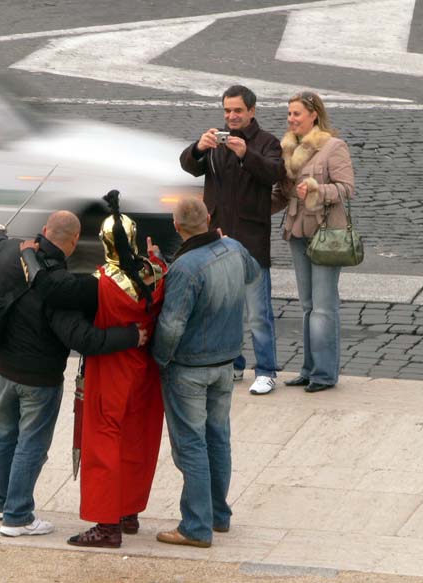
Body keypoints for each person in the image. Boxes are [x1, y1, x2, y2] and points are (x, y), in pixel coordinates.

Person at [0, 210, 146, 538]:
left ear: (44, 231)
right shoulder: (62, 286)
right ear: (73, 241)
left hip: (2, 366)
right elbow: (83, 339)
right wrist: (132, 336)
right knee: (31, 444)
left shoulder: (10, 251)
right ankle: (17, 516)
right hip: (39, 377)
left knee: (2, 434)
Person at [21, 191, 166, 549]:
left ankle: (107, 524)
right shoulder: (157, 272)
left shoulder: (99, 285)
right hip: (145, 371)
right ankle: (129, 512)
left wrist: (28, 253)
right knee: (137, 440)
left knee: (103, 443)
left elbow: (50, 287)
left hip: (111, 371)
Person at [152, 197, 259, 549]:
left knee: (192, 446)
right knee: (218, 438)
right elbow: (254, 273)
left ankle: (196, 526)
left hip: (190, 369)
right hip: (226, 363)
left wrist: (160, 360)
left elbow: (171, 326)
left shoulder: (185, 267)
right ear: (209, 218)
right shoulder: (234, 248)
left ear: (176, 225)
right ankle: (218, 514)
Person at [179, 85, 285, 395]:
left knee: (258, 311)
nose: (231, 116)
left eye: (237, 110)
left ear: (252, 111)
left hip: (251, 239)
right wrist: (199, 147)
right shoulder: (216, 141)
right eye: (227, 110)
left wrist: (246, 155)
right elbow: (188, 165)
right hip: (218, 238)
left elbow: (274, 173)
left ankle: (266, 370)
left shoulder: (267, 143)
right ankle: (233, 364)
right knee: (224, 309)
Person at [271, 91, 355, 393]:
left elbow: (346, 188)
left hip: (326, 234)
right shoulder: (286, 149)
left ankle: (324, 373)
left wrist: (318, 189)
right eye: (289, 114)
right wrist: (251, 207)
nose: (291, 119)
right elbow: (282, 194)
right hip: (297, 232)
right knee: (307, 306)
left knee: (323, 306)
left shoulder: (333, 147)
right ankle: (308, 369)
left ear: (314, 115)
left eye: (297, 114)